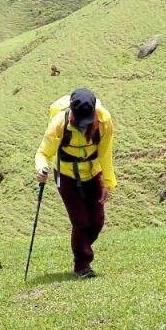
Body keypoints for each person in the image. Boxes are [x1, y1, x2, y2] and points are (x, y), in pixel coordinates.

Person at [34, 87, 115, 278]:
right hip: (66, 176)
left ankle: (81, 247)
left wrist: (107, 183)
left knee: (97, 221)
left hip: (93, 173)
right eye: (80, 122)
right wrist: (41, 169)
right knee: (81, 221)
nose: (83, 126)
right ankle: (82, 265)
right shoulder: (58, 124)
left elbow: (105, 154)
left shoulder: (104, 122)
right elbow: (43, 153)